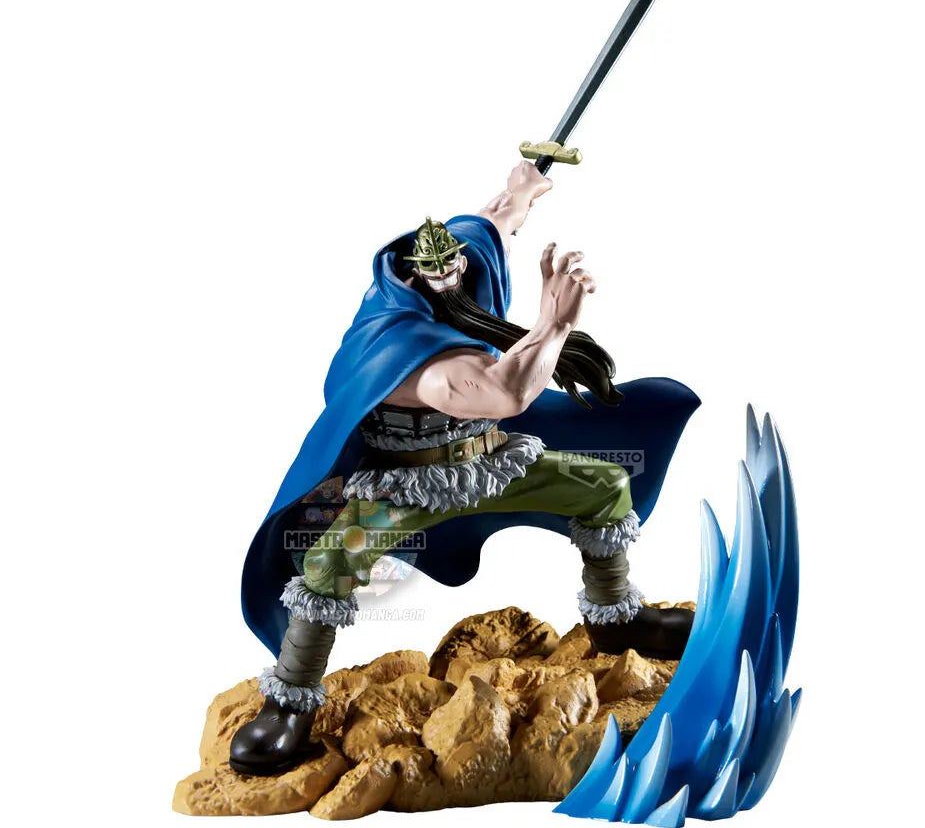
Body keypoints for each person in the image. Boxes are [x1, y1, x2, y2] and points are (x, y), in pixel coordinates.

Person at [230, 163, 700, 775]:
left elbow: (494, 220)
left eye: (454, 263)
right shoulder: (408, 354)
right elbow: (507, 394)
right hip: (408, 486)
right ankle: (289, 701)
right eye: (438, 271)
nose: (453, 274)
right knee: (329, 564)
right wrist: (555, 323)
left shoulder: (459, 275)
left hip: (490, 463)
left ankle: (616, 619)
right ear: (412, 280)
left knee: (604, 486)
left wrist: (524, 187)